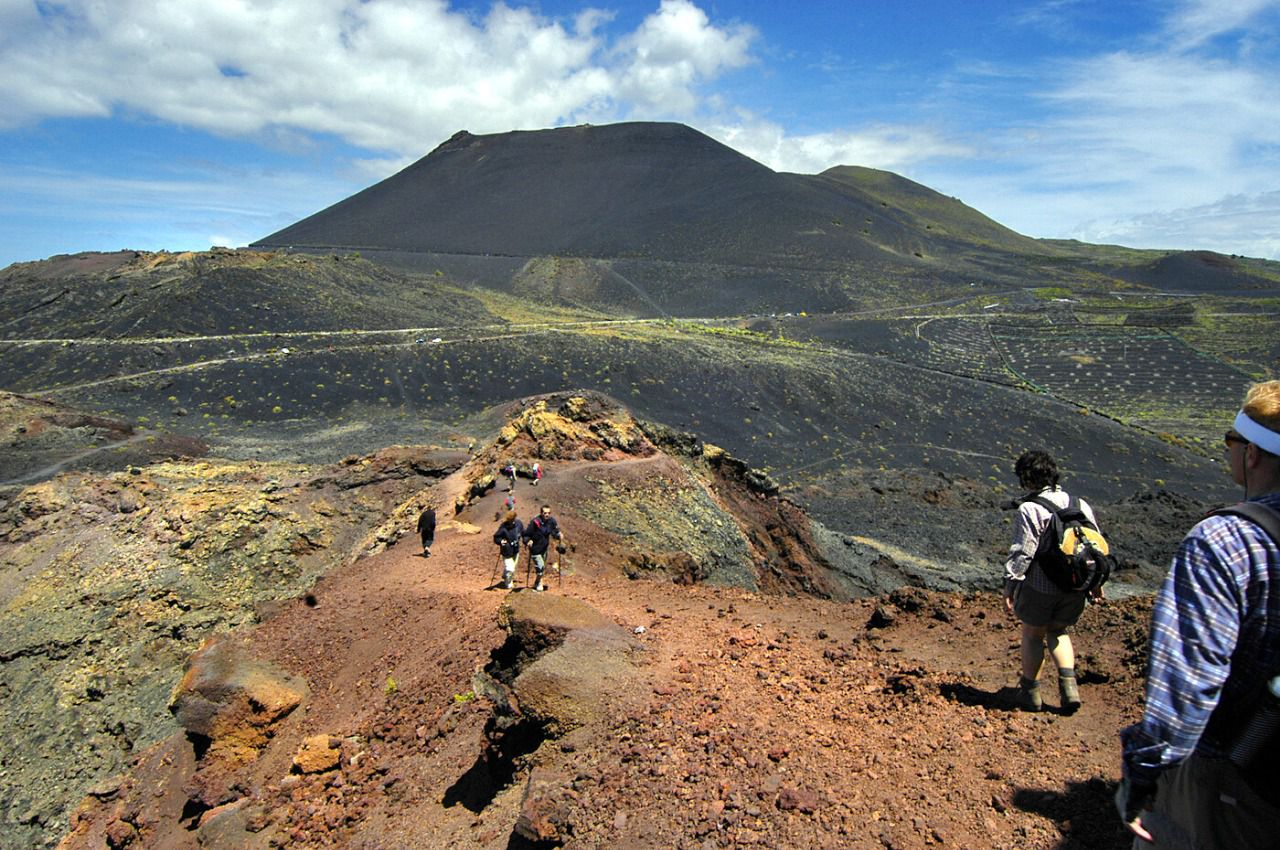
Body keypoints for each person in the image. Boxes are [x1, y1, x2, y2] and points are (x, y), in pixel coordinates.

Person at [1117, 381, 1280, 850]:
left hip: (1234, 778)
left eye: (1231, 441)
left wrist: (1143, 775)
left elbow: (1189, 686)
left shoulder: (1227, 543)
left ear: (1251, 454)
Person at [1003, 450, 1101, 712]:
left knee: (1033, 634)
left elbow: (1024, 551)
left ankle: (1030, 693)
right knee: (1059, 631)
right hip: (1074, 585)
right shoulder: (1080, 504)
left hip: (1041, 585)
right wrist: (1095, 583)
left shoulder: (1030, 509)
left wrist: (1011, 584)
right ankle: (1069, 688)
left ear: (1026, 477)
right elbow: (1095, 547)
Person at [522, 504, 566, 592]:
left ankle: (537, 581)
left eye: (549, 513)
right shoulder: (535, 522)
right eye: (545, 513)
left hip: (544, 548)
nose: (547, 515)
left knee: (542, 567)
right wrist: (527, 541)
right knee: (540, 567)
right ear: (541, 513)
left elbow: (554, 532)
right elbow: (526, 534)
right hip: (535, 549)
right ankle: (539, 583)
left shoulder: (551, 521)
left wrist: (558, 535)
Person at [493, 511, 524, 590]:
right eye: (510, 520)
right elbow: (496, 537)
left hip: (516, 550)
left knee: (512, 567)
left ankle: (505, 575)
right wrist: (501, 541)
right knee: (510, 568)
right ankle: (508, 584)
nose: (511, 522)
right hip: (506, 551)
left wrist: (527, 540)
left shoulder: (519, 524)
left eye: (512, 520)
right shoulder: (503, 527)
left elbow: (523, 532)